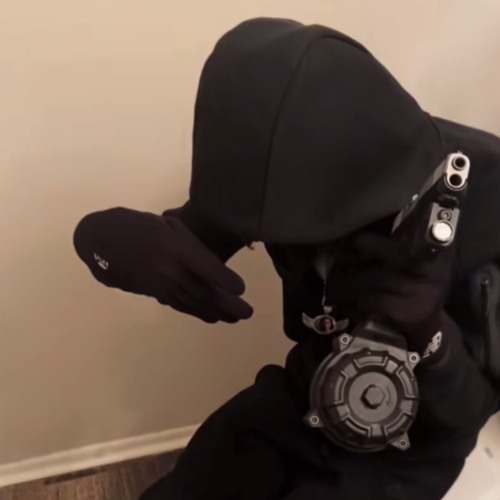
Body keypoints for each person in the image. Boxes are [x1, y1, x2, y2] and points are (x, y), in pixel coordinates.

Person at [73, 18, 500, 500]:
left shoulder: (489, 204)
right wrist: (101, 240)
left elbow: (468, 413)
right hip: (312, 386)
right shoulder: (278, 161)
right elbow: (189, 237)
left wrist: (431, 334)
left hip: (415, 440)